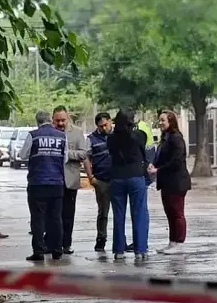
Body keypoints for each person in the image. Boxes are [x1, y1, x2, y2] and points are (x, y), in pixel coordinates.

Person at [20, 110, 68, 262]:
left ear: (37, 121)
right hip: (57, 183)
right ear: (50, 120)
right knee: (56, 218)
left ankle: (39, 251)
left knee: (38, 219)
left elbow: (22, 155)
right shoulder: (62, 136)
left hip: (37, 183)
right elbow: (65, 159)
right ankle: (57, 250)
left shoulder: (33, 135)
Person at [83, 113, 135, 253]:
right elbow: (86, 158)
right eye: (101, 126)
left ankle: (121, 241)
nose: (104, 128)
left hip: (118, 178)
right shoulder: (91, 139)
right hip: (101, 180)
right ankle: (101, 239)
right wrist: (91, 178)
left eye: (106, 124)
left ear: (111, 122)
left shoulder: (118, 135)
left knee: (120, 212)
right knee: (103, 212)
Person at [107, 108, 150, 259]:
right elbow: (143, 151)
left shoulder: (111, 138)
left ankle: (119, 250)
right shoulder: (139, 135)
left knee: (118, 215)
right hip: (135, 176)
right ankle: (140, 249)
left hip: (117, 177)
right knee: (139, 213)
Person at [148, 110, 191, 254]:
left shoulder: (176, 138)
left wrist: (158, 169)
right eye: (159, 120)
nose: (160, 123)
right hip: (167, 182)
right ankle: (172, 242)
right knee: (170, 212)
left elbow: (177, 161)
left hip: (177, 181)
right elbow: (160, 156)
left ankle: (179, 242)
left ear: (171, 122)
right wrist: (153, 164)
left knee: (177, 213)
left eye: (163, 120)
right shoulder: (165, 138)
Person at [51, 105, 87, 254]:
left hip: (70, 180)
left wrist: (67, 153)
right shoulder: (50, 133)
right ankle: (53, 244)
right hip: (53, 180)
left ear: (68, 118)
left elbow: (84, 153)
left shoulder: (77, 132)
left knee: (68, 214)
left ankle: (66, 244)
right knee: (53, 214)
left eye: (63, 120)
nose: (60, 123)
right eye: (57, 120)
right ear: (52, 120)